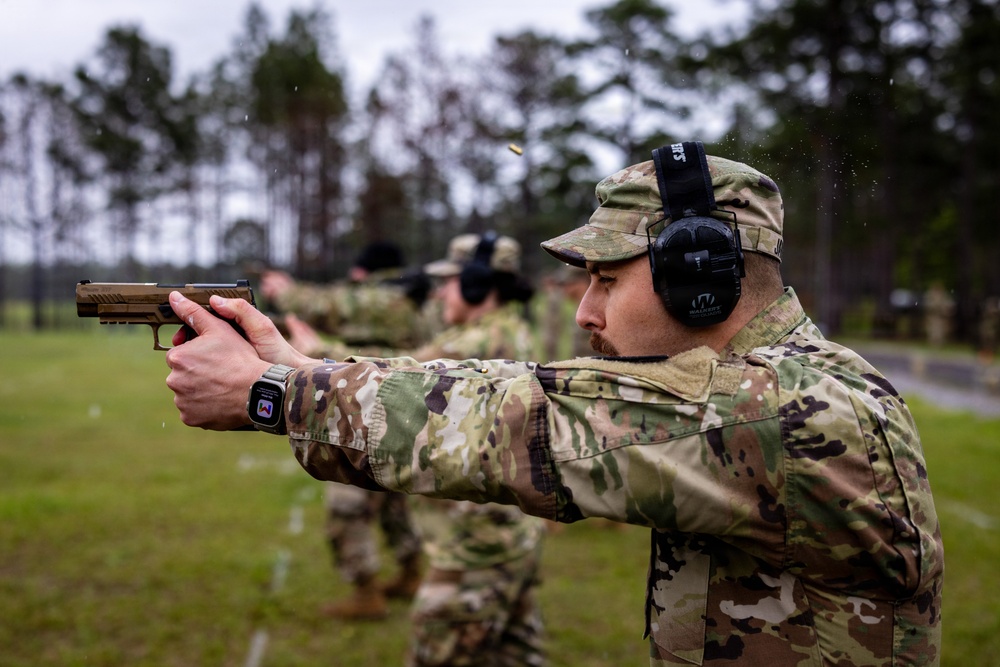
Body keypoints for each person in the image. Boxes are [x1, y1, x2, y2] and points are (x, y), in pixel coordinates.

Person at [165, 143, 943, 666]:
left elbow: (520, 419)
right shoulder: (781, 387)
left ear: (696, 273)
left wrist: (274, 395)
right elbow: (515, 391)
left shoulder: (786, 409)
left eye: (606, 278)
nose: (585, 312)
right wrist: (300, 367)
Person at [402, 232, 546, 667]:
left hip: (476, 540)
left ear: (478, 284)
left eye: (451, 280)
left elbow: (392, 376)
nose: (441, 290)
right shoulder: (515, 330)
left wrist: (307, 355)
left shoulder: (473, 343)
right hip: (510, 530)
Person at [264, 241, 427, 620]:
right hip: (400, 408)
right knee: (393, 501)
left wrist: (287, 291)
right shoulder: (406, 300)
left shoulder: (389, 299)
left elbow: (331, 305)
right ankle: (410, 573)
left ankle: (367, 592)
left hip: (371, 411)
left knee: (348, 505)